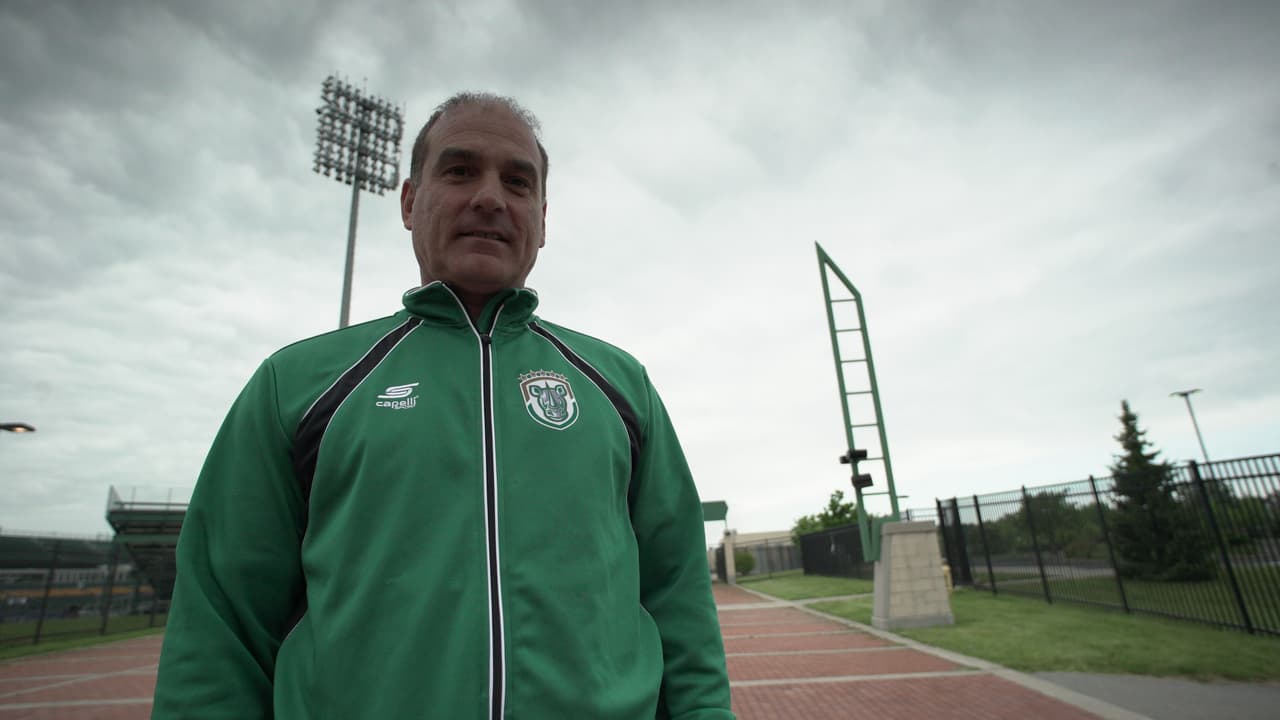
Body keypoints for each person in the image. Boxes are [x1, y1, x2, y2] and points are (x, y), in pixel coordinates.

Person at [152, 92, 734, 719]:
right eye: (459, 171)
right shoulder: (295, 386)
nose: (490, 197)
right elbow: (220, 624)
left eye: (517, 182)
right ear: (409, 202)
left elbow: (679, 595)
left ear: (542, 218)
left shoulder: (620, 387)